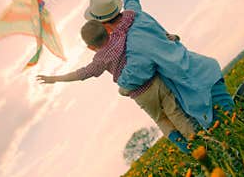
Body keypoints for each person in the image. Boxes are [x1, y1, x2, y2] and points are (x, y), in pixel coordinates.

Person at [90, 0, 235, 129]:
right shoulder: (135, 13)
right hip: (204, 69)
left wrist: (122, 87)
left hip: (197, 86)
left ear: (105, 26)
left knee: (231, 127)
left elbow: (136, 73)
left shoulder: (133, 45)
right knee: (235, 121)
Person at [37, 11, 196, 154]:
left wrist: (55, 78)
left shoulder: (99, 60)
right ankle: (198, 142)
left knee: (161, 120)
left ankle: (186, 149)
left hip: (140, 94)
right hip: (154, 81)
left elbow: (81, 74)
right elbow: (129, 16)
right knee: (175, 111)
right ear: (107, 29)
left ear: (91, 47)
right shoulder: (120, 34)